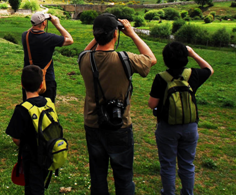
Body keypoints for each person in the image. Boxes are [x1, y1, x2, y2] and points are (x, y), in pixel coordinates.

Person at [78, 13, 157, 194]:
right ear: (116, 34)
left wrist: (99, 34)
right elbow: (151, 59)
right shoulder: (125, 59)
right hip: (119, 125)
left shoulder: (85, 59)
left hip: (92, 124)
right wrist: (132, 33)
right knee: (123, 175)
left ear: (96, 35)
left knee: (97, 175)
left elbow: (85, 50)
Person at [148, 42, 213, 195]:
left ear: (165, 59)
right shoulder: (193, 74)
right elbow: (209, 70)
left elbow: (152, 104)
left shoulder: (161, 78)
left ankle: (169, 192)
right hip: (190, 126)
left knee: (168, 164)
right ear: (185, 57)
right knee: (187, 164)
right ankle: (187, 192)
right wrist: (194, 54)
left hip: (167, 127)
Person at [6, 65, 52, 194]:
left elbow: (16, 138)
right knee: (39, 182)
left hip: (31, 155)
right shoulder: (48, 102)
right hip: (48, 152)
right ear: (41, 84)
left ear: (22, 84)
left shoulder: (21, 109)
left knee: (33, 187)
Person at [22, 12, 73, 103]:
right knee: (47, 108)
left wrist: (36, 23)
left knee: (29, 107)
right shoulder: (50, 38)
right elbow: (70, 40)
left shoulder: (25, 36)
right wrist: (57, 24)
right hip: (46, 79)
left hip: (28, 78)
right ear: (44, 23)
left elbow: (31, 30)